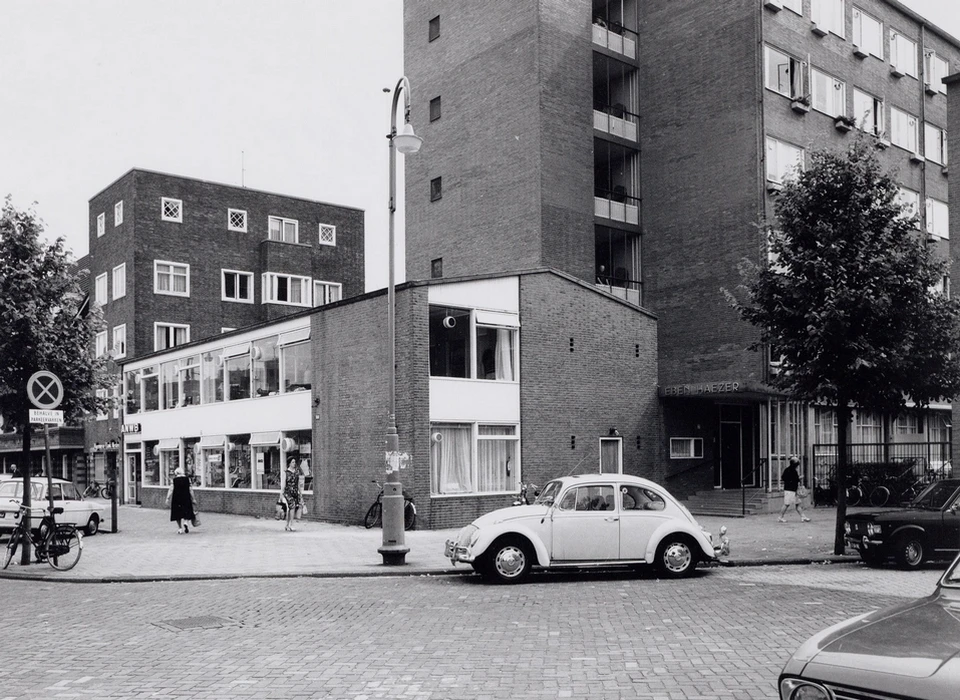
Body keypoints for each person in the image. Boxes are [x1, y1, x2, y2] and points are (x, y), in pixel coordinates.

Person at [779, 456, 811, 523]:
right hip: (790, 490)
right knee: (786, 504)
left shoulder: (787, 470)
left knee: (798, 504)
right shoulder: (793, 471)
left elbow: (784, 478)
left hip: (792, 489)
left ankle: (803, 516)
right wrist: (799, 478)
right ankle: (780, 517)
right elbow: (795, 479)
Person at [165, 465, 197, 534]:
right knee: (186, 511)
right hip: (186, 497)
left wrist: (168, 498)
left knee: (177, 513)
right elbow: (191, 490)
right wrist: (193, 498)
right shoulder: (187, 479)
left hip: (177, 498)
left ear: (176, 473)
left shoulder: (174, 480)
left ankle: (180, 528)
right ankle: (185, 522)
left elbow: (171, 489)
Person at [280, 457, 306, 531]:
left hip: (295, 492)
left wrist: (300, 493)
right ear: (289, 463)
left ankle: (287, 525)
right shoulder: (286, 473)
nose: (294, 463)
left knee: (290, 509)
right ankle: (292, 524)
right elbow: (284, 484)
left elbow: (298, 484)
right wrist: (281, 494)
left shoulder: (296, 472)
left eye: (294, 462)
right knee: (292, 506)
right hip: (288, 492)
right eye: (292, 462)